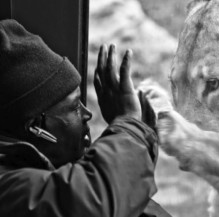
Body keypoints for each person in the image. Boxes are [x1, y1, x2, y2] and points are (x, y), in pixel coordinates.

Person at [0, 19, 170, 217]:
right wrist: (130, 128)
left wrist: (139, 143)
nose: (87, 114)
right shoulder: (8, 189)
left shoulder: (33, 170)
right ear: (37, 127)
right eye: (74, 107)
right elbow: (96, 203)